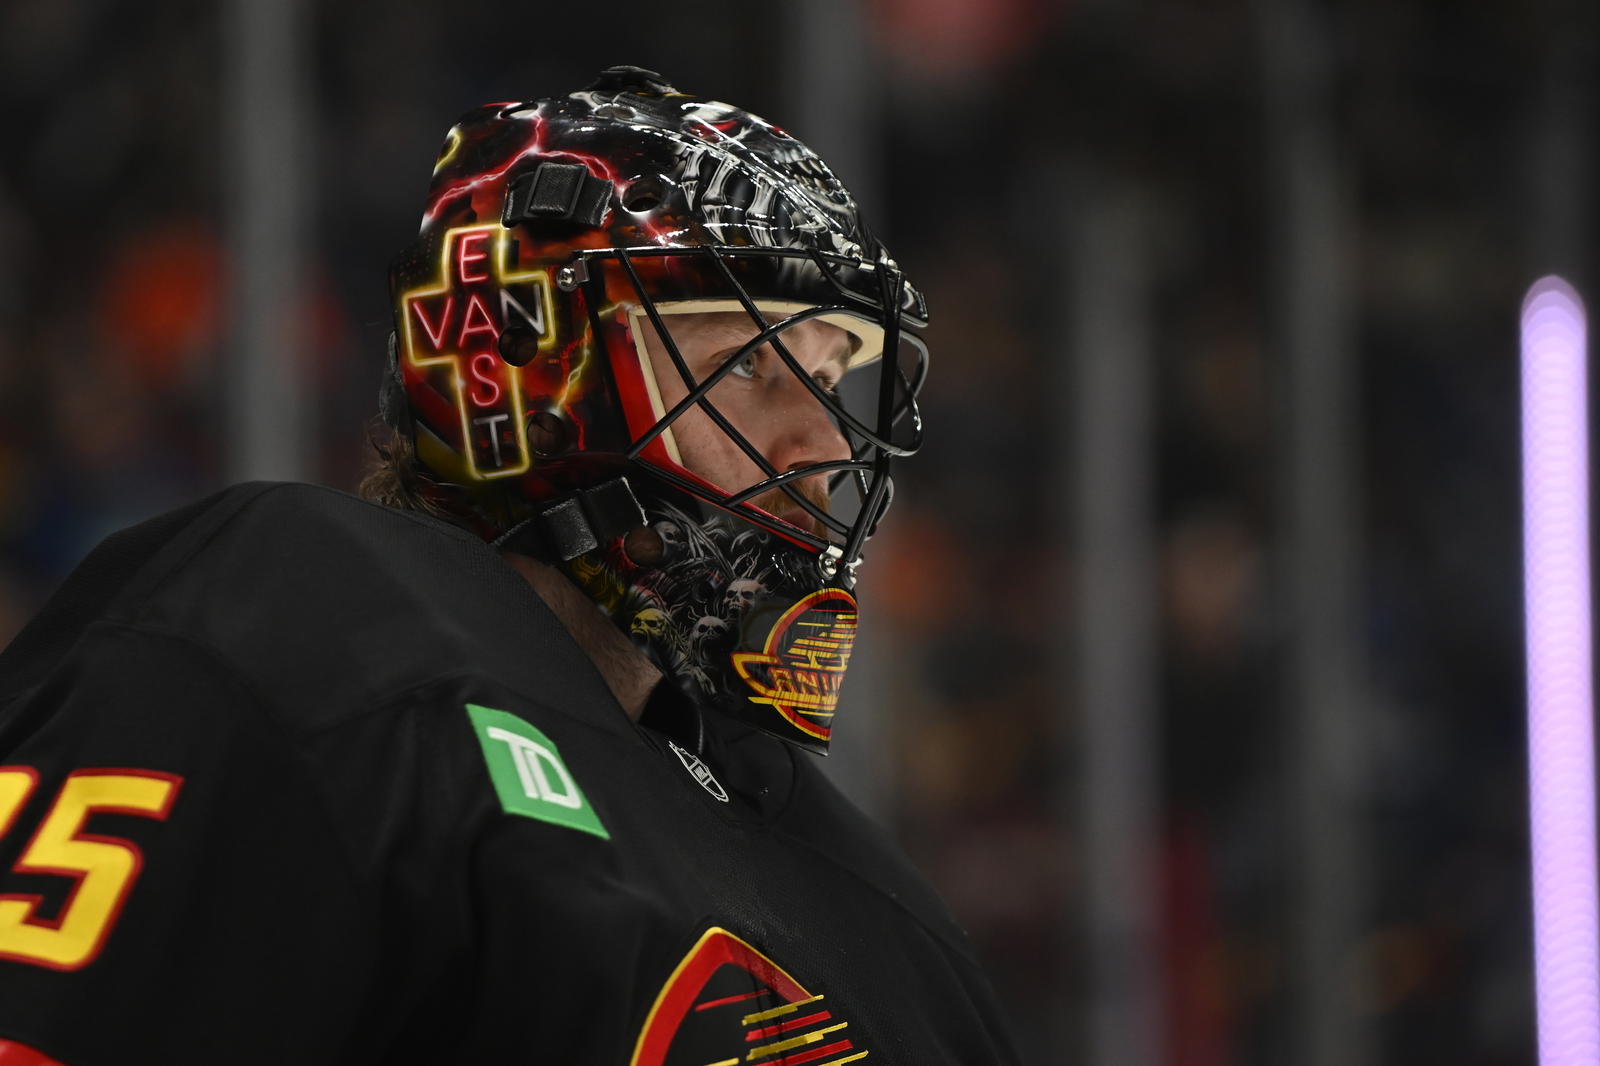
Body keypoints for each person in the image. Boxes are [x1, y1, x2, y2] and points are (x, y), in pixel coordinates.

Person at [0, 68, 1020, 1064]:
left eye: (833, 377)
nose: (821, 450)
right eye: (750, 363)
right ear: (524, 369)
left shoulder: (890, 917)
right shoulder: (312, 636)